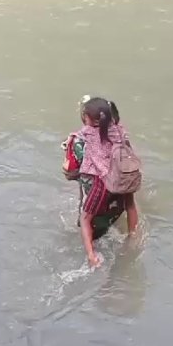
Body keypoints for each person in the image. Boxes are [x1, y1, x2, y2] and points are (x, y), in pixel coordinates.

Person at [61, 96, 139, 267]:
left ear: (89, 120)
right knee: (131, 204)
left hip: (102, 183)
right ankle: (133, 236)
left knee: (85, 218)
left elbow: (71, 169)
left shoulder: (85, 136)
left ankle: (92, 256)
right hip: (122, 177)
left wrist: (69, 140)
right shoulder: (119, 131)